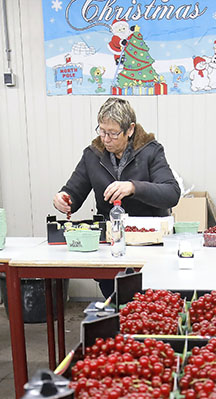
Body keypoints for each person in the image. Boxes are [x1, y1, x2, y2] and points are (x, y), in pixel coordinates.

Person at [52, 97, 180, 295]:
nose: (105, 139)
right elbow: (74, 193)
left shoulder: (151, 151)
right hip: (110, 248)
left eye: (113, 133)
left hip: (149, 245)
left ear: (130, 130)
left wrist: (133, 187)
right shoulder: (92, 155)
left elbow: (171, 193)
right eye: (102, 131)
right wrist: (63, 198)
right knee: (114, 303)